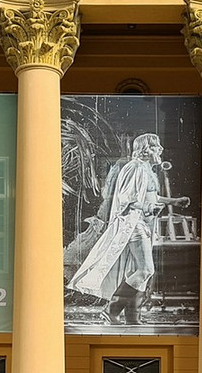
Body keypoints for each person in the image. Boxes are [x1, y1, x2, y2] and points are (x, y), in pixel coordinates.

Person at [68, 133, 189, 325]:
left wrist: (174, 201)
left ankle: (133, 316)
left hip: (144, 225)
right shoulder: (135, 168)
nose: (161, 149)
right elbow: (127, 199)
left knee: (137, 270)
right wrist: (148, 208)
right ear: (146, 149)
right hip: (134, 225)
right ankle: (111, 310)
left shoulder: (146, 169)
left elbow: (151, 196)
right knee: (146, 269)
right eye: (156, 146)